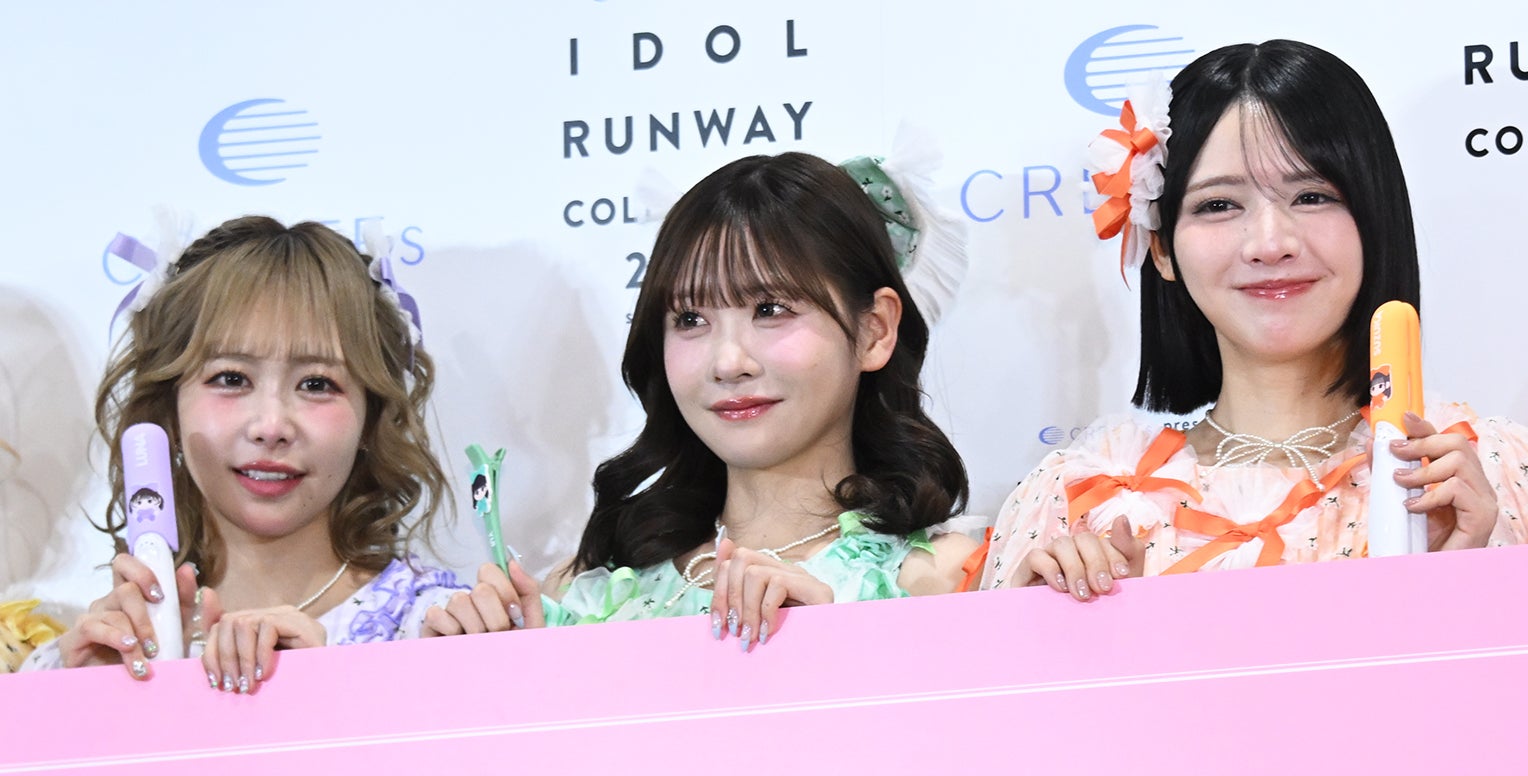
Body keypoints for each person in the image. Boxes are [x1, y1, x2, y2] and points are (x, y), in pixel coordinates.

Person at [983, 40, 1528, 598]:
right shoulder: (1072, 500)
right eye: (1219, 204)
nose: (1270, 244)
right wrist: (1070, 630)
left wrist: (1459, 579)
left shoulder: (1496, 471)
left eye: (1311, 196)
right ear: (1160, 249)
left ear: (1374, 218)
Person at [428, 150, 982, 648]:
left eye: (770, 310)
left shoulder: (947, 583)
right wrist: (499, 671)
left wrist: (832, 652)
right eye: (691, 319)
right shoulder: (582, 597)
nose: (728, 361)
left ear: (875, 330)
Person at [24, 216, 465, 689]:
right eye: (231, 378)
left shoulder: (438, 632)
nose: (271, 427)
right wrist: (89, 702)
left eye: (317, 384)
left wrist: (333, 693)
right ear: (169, 409)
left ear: (371, 416)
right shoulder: (79, 661)